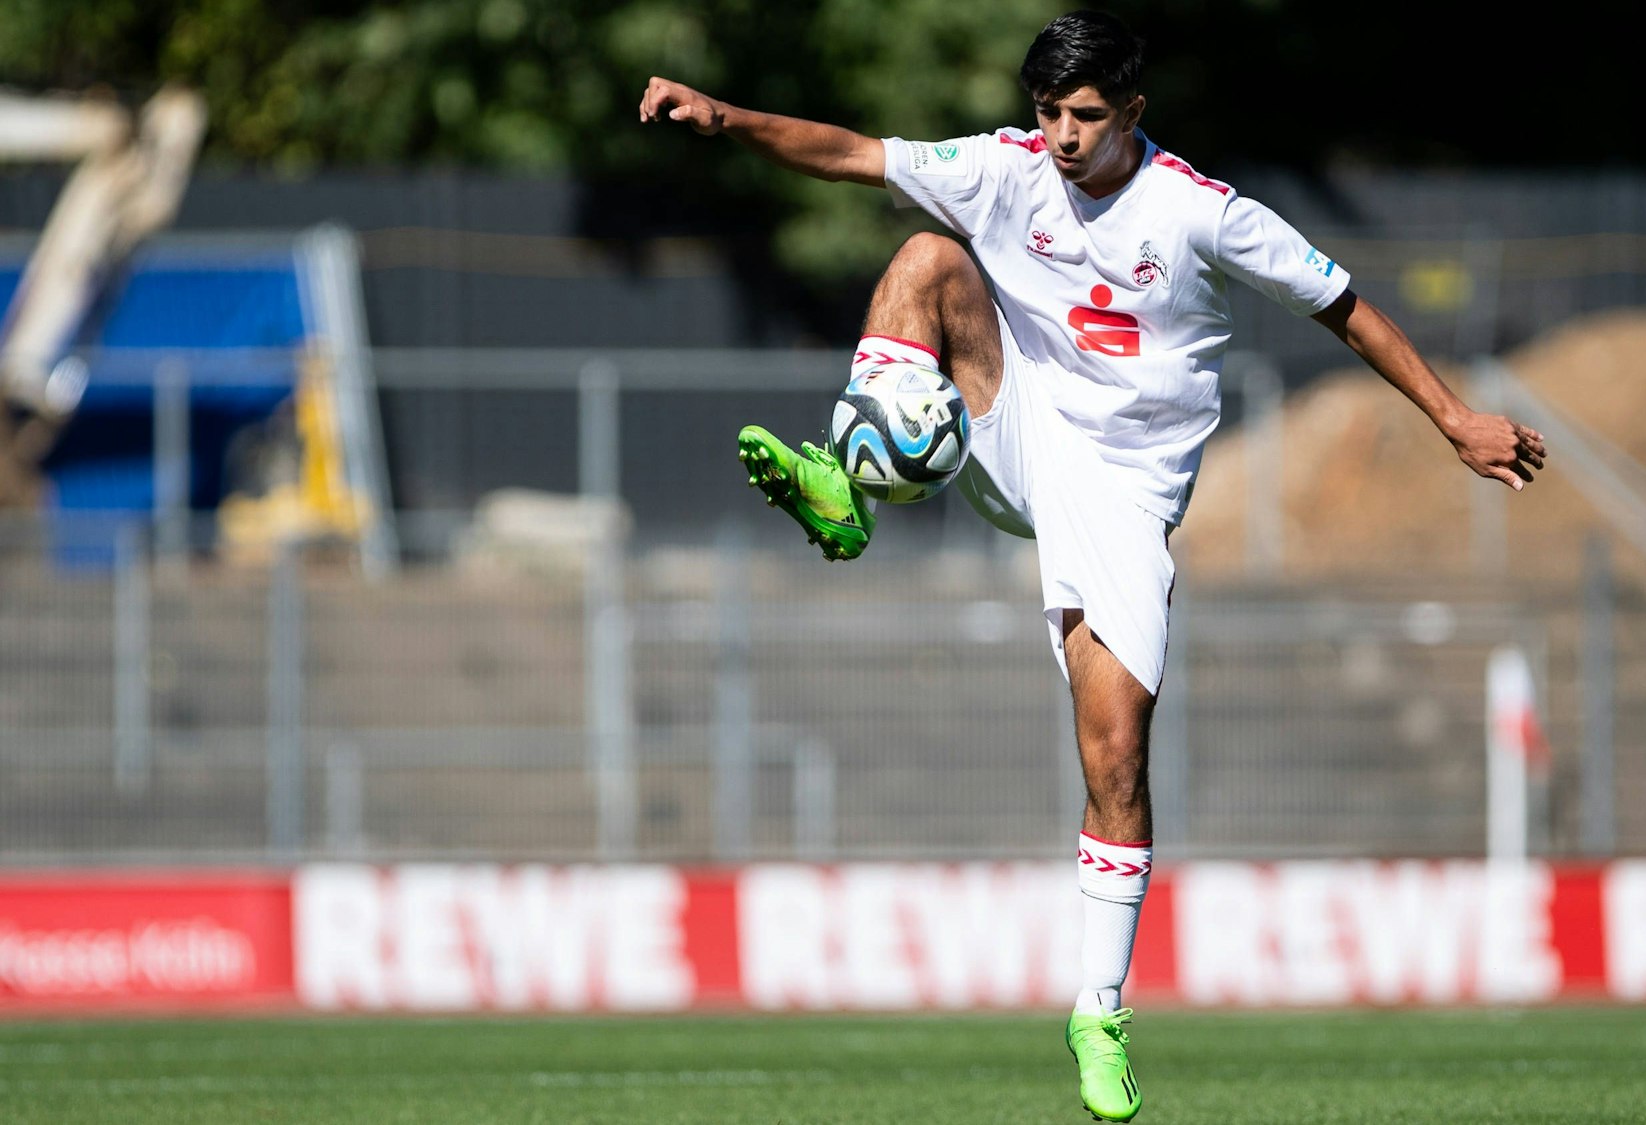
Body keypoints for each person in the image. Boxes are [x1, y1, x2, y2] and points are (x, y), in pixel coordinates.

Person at [643, 11, 1546, 1119]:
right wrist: (725, 117)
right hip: (1017, 425)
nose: (1060, 137)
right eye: (1046, 113)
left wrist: (1453, 419)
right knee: (926, 255)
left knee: (1113, 755)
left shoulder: (1205, 213)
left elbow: (1342, 307)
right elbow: (848, 154)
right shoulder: (1004, 168)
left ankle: (1097, 1009)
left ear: (1130, 112)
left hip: (1121, 494)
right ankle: (847, 485)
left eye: (1082, 116)